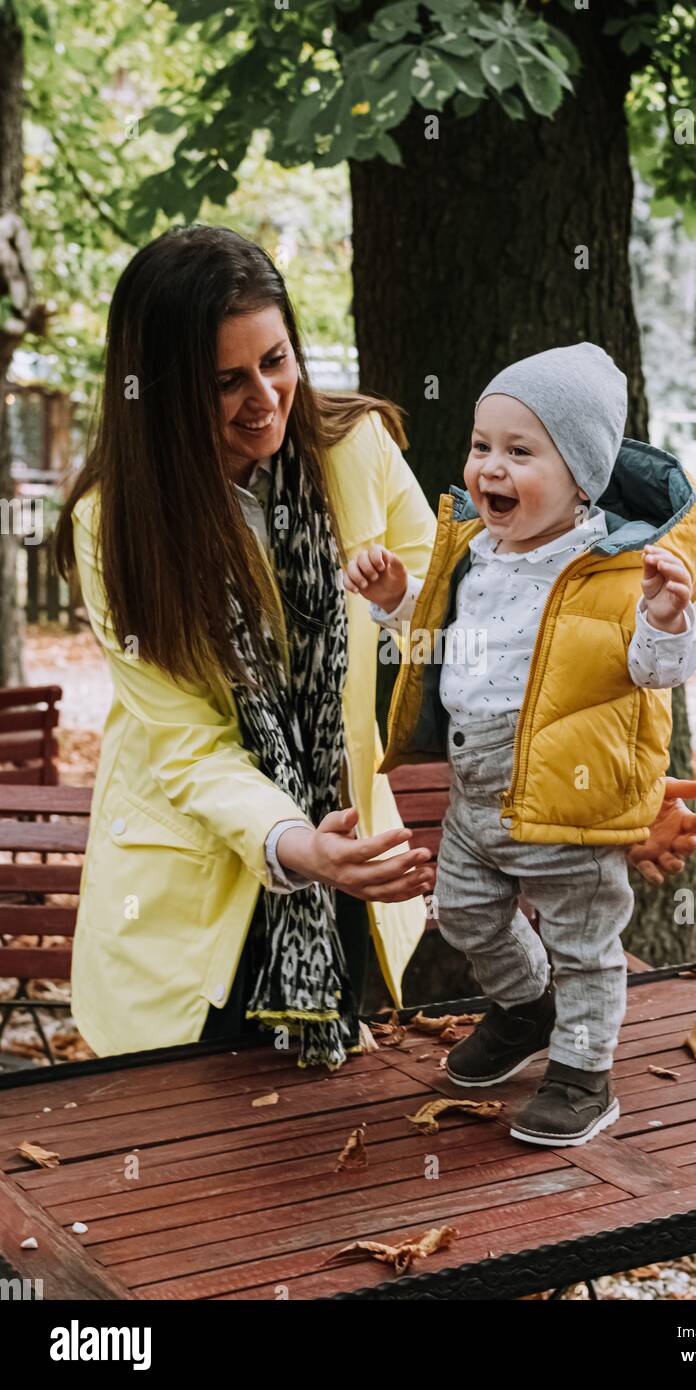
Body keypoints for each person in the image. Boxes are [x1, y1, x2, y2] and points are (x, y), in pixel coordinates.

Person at [54, 225, 438, 1067]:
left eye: (276, 361)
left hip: (347, 863)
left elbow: (463, 623)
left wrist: (598, 802)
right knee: (199, 1175)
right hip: (197, 902)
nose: (264, 397)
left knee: (336, 1158)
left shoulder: (356, 450)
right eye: (225, 381)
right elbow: (191, 747)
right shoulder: (114, 525)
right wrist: (299, 847)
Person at [346, 343, 696, 1141]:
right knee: (470, 915)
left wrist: (666, 617)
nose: (490, 469)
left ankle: (585, 1074)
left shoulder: (614, 570)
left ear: (582, 477)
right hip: (475, 791)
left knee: (585, 944)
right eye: (482, 447)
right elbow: (442, 634)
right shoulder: (474, 554)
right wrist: (395, 600)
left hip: (566, 794)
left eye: (520, 451)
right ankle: (525, 1009)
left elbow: (657, 671)